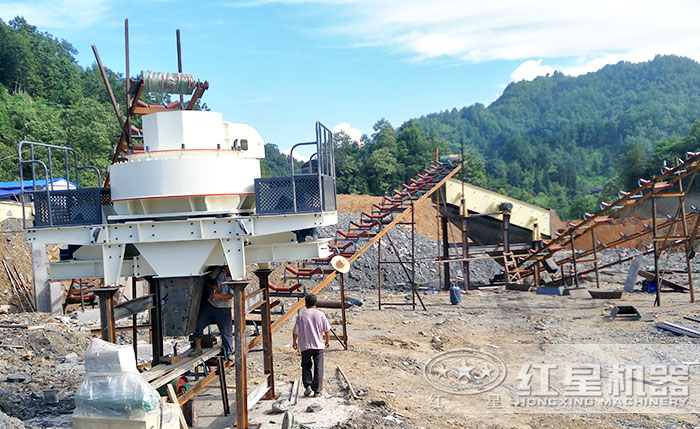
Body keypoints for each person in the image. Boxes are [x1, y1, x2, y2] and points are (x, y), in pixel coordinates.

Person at [190, 266, 234, 361]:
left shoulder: (235, 276)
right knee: (198, 324)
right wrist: (214, 287)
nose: (226, 268)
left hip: (224, 307)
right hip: (211, 304)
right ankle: (198, 348)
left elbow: (231, 295)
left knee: (226, 331)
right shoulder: (219, 272)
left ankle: (229, 352)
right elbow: (208, 279)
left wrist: (218, 295)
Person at [292, 293, 330, 397]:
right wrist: (327, 340)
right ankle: (317, 391)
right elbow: (327, 329)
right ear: (315, 303)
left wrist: (294, 342)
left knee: (306, 366)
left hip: (305, 346)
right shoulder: (320, 314)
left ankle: (308, 385)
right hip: (318, 345)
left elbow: (296, 331)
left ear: (306, 303)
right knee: (318, 367)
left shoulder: (301, 315)